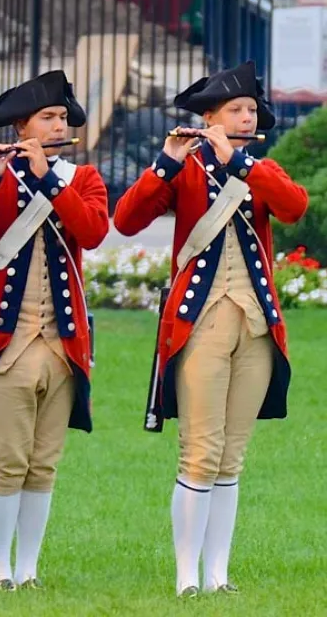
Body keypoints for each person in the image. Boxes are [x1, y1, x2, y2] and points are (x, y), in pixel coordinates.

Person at [113, 61, 309, 598]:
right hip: (199, 323)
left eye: (251, 110)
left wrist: (242, 162)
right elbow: (126, 220)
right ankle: (185, 578)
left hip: (256, 325)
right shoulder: (186, 168)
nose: (247, 117)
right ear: (209, 118)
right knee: (199, 451)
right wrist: (166, 161)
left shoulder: (258, 168)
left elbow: (295, 207)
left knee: (232, 456)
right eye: (236, 110)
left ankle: (219, 575)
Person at [0, 69, 109, 591]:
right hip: (8, 342)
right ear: (23, 127)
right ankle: (0, 567)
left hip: (62, 344)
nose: (59, 124)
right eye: (48, 117)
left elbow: (91, 230)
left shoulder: (81, 178)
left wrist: (46, 179)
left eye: (62, 117)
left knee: (43, 464)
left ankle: (29, 568)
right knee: (7, 460)